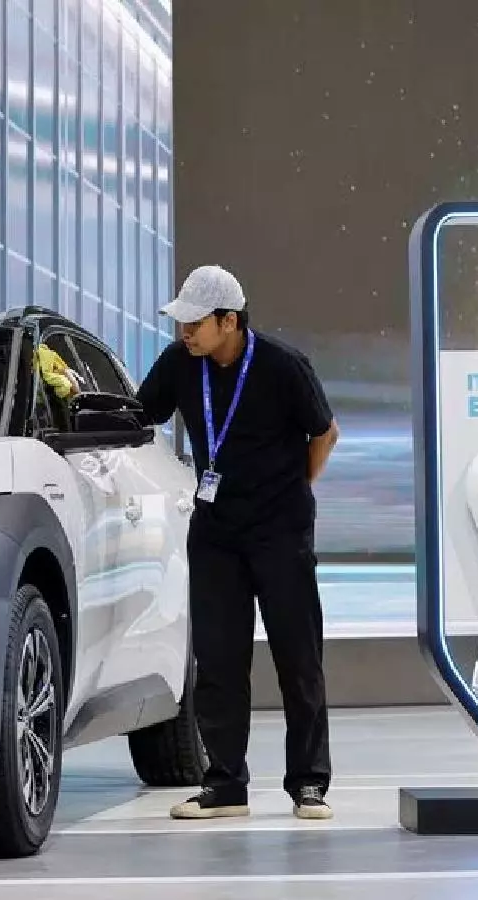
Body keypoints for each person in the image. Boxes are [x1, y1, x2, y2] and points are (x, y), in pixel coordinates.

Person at [135, 264, 341, 821]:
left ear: (229, 321)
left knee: (298, 658)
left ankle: (308, 783)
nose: (185, 332)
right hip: (215, 533)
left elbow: (325, 432)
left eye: (196, 322)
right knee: (218, 662)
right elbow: (142, 413)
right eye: (181, 322)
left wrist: (294, 488)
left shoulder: (282, 365)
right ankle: (225, 785)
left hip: (281, 531)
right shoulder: (180, 363)